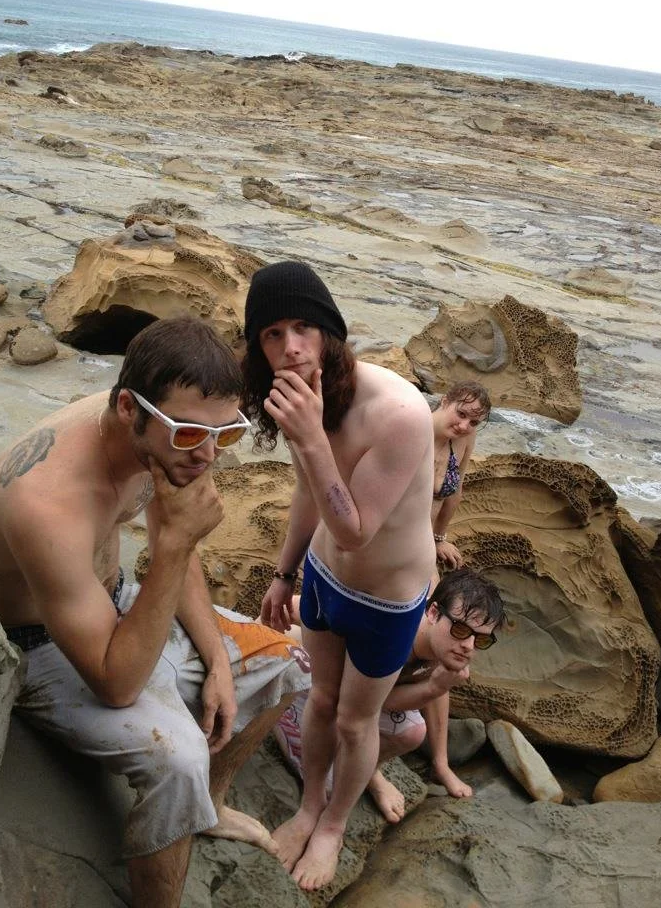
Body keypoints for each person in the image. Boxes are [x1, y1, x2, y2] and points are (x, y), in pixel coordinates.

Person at [0, 317, 311, 908]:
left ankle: (209, 802)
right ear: (130, 407)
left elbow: (166, 530)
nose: (206, 454)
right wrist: (178, 544)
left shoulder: (155, 437)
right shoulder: (46, 504)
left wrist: (220, 661)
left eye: (224, 434)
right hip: (37, 647)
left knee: (287, 660)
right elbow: (117, 683)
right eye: (187, 434)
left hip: (119, 601)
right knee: (176, 757)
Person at [241, 260, 436, 891]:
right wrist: (284, 572)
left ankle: (333, 827)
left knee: (357, 721)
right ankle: (308, 807)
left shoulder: (399, 413)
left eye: (303, 327)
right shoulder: (303, 399)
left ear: (329, 332)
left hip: (388, 600)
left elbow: (357, 528)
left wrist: (312, 437)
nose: (291, 346)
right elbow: (310, 493)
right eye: (272, 334)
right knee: (321, 702)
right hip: (325, 578)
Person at [275, 568, 506, 816]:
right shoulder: (391, 633)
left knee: (411, 732)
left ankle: (370, 771)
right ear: (433, 612)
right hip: (307, 674)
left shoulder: (446, 643)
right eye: (460, 629)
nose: (469, 646)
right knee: (330, 785)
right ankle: (284, 717)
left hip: (355, 692)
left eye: (481, 640)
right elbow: (298, 607)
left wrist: (441, 762)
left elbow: (425, 689)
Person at [431, 381, 490, 571]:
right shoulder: (416, 430)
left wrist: (439, 538)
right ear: (445, 401)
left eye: (474, 422)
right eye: (461, 414)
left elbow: (455, 491)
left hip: (425, 543)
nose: (464, 426)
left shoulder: (464, 438)